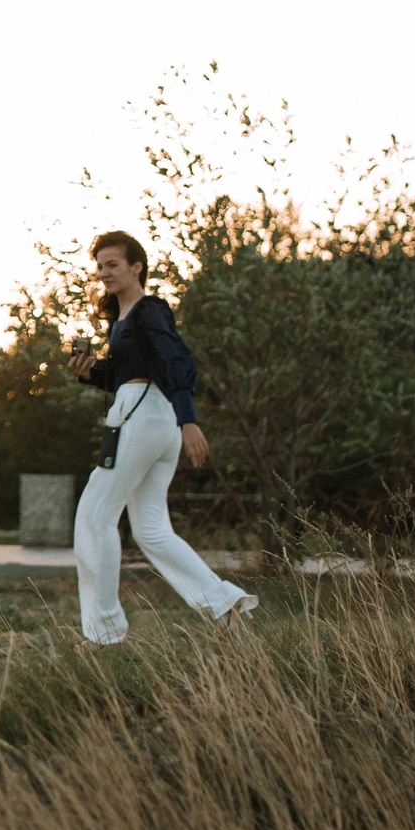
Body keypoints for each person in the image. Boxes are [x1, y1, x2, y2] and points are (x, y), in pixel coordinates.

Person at [64, 230, 256, 644]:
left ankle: (103, 634)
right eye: (99, 266)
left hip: (145, 419)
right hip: (150, 420)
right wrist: (92, 372)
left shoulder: (149, 309)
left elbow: (175, 360)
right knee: (151, 530)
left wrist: (189, 420)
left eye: (112, 264)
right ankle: (223, 607)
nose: (104, 273)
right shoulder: (123, 318)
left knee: (94, 518)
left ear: (137, 267)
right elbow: (127, 375)